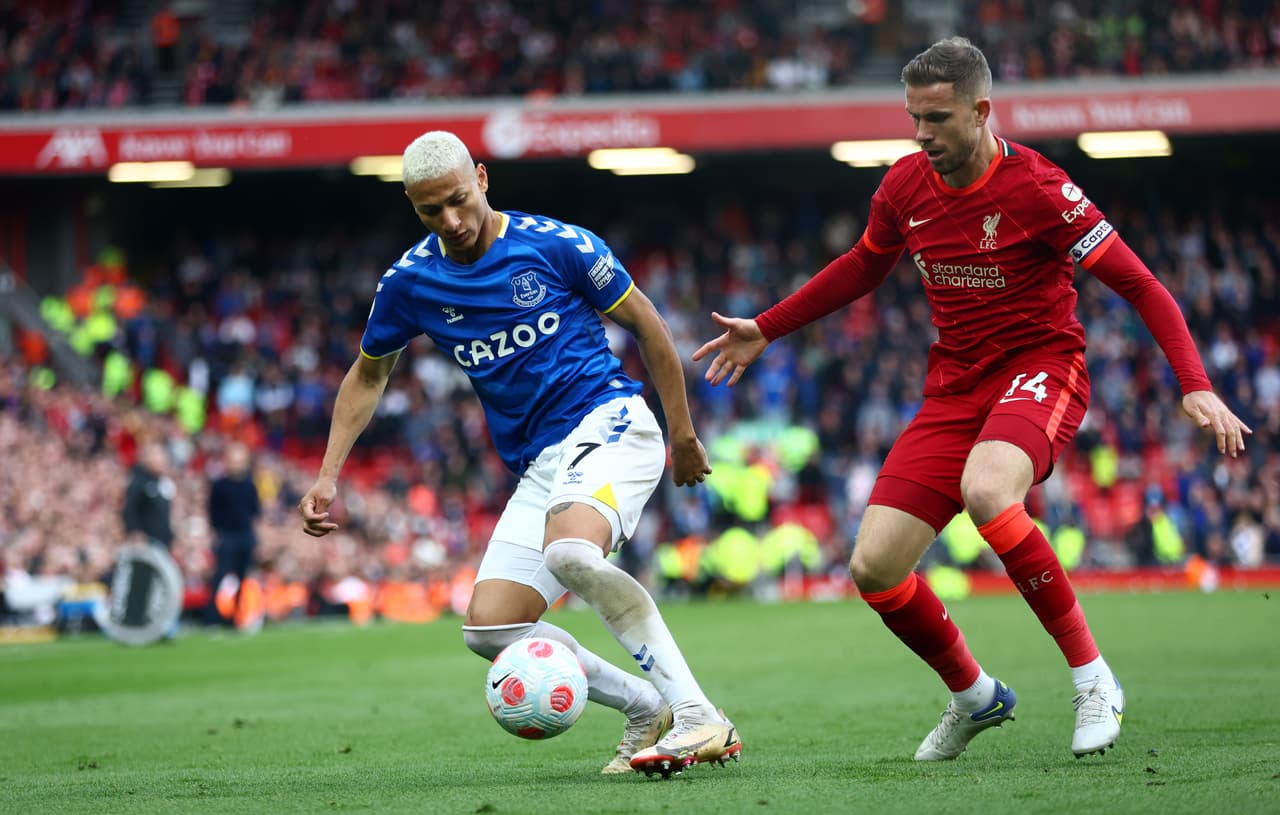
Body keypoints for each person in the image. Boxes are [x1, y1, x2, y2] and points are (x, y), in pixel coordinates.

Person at [694, 36, 1251, 761]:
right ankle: (974, 694)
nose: (921, 135)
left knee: (989, 491)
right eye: (913, 118)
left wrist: (1195, 386)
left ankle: (1093, 678)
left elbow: (1142, 284)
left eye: (936, 118)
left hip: (1041, 367)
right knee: (875, 567)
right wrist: (766, 327)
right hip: (954, 385)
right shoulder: (902, 187)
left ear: (981, 110)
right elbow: (863, 266)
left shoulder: (1041, 190)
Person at [298, 130, 740, 777]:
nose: (450, 221)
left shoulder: (557, 244)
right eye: (430, 211)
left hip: (610, 419)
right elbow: (369, 374)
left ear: (481, 177)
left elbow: (647, 323)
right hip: (541, 461)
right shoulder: (412, 281)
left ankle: (698, 712)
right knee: (490, 629)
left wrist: (681, 432)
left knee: (569, 552)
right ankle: (646, 705)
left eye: (457, 200)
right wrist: (328, 475)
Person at [205, 441, 261, 626]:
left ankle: (238, 614)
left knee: (243, 577)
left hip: (245, 536)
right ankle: (214, 617)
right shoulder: (220, 485)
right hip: (226, 536)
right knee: (221, 576)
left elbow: (255, 511)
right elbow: (213, 512)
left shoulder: (249, 485)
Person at [123, 439, 175, 552]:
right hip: (147, 544)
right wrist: (135, 531)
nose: (162, 459)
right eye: (157, 455)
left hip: (163, 543)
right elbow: (129, 509)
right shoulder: (138, 482)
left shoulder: (163, 482)